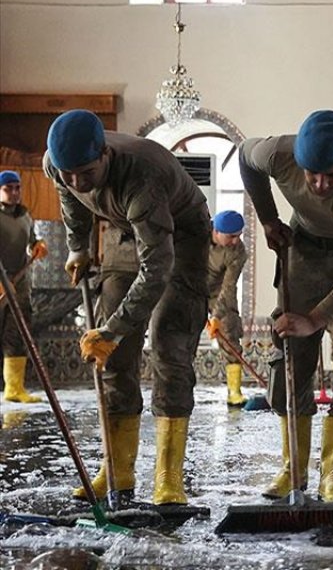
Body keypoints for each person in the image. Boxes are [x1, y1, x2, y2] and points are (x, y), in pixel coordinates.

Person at [44, 109, 210, 506]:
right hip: (122, 229)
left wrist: (113, 330)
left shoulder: (142, 176)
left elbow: (157, 270)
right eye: (69, 173)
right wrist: (79, 248)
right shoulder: (59, 165)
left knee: (169, 341)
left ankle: (168, 477)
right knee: (113, 359)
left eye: (85, 171)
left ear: (104, 154)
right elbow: (71, 198)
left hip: (181, 234)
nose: (77, 181)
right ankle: (117, 469)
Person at [240, 110, 333, 502]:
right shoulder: (278, 153)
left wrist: (316, 318)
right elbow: (244, 155)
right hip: (305, 252)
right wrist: (269, 218)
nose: (321, 184)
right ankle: (293, 469)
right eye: (313, 175)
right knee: (289, 357)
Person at [1, 170, 49, 403]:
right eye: (8, 188)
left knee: (18, 331)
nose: (14, 192)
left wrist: (37, 244)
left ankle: (14, 388)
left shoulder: (25, 215)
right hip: (1, 280)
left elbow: (31, 239)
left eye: (17, 187)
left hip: (19, 282)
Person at [205, 210, 249, 407]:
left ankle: (234, 392)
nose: (235, 241)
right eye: (231, 236)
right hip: (186, 285)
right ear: (216, 231)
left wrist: (216, 316)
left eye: (239, 235)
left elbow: (228, 286)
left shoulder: (238, 251)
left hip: (217, 291)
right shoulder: (197, 234)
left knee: (229, 327)